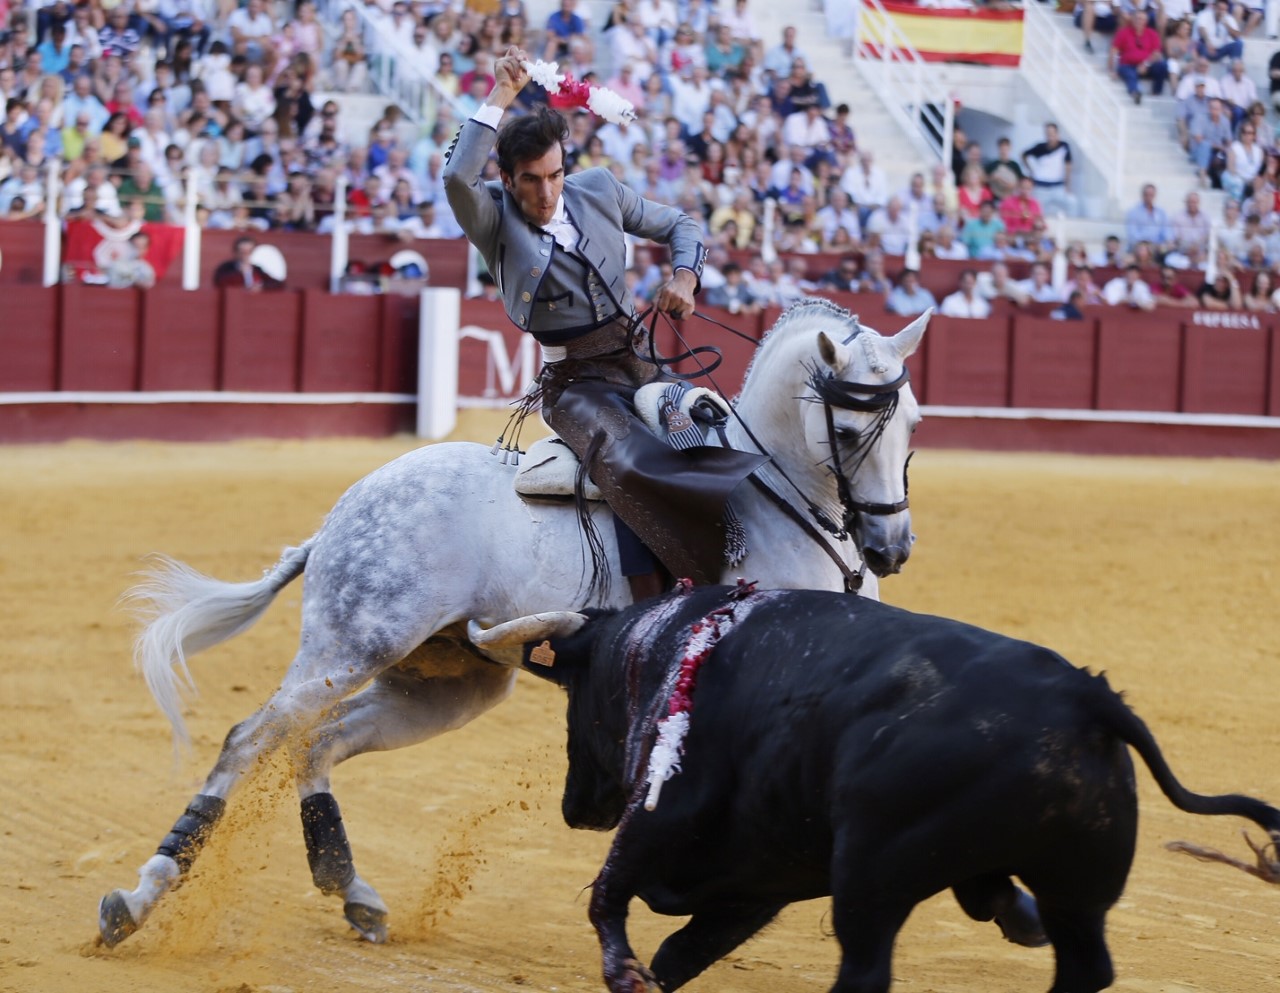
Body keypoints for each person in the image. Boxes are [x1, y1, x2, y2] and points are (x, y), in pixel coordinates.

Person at [443, 47, 762, 599]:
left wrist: (684, 277)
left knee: (715, 427)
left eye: (555, 174)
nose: (546, 193)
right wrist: (502, 94)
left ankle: (740, 560)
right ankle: (648, 601)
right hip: (576, 386)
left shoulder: (600, 189)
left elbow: (681, 225)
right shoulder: (492, 217)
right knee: (632, 461)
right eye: (531, 180)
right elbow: (455, 176)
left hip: (640, 365)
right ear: (507, 178)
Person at [1109, 9, 1168, 104]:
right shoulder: (1123, 32)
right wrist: (1112, 70)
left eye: (1141, 19)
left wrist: (1146, 64)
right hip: (1128, 65)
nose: (1139, 21)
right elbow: (1114, 51)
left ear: (1146, 21)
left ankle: (1156, 93)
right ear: (1132, 19)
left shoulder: (1152, 34)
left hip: (1147, 65)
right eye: (1136, 18)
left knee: (1162, 65)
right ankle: (1135, 93)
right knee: (1129, 74)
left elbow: (1157, 53)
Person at [213, 235, 283, 290]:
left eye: (249, 252)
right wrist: (239, 274)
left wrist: (261, 286)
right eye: (242, 252)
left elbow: (277, 284)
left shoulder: (257, 269)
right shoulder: (226, 268)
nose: (246, 255)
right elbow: (220, 283)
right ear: (236, 252)